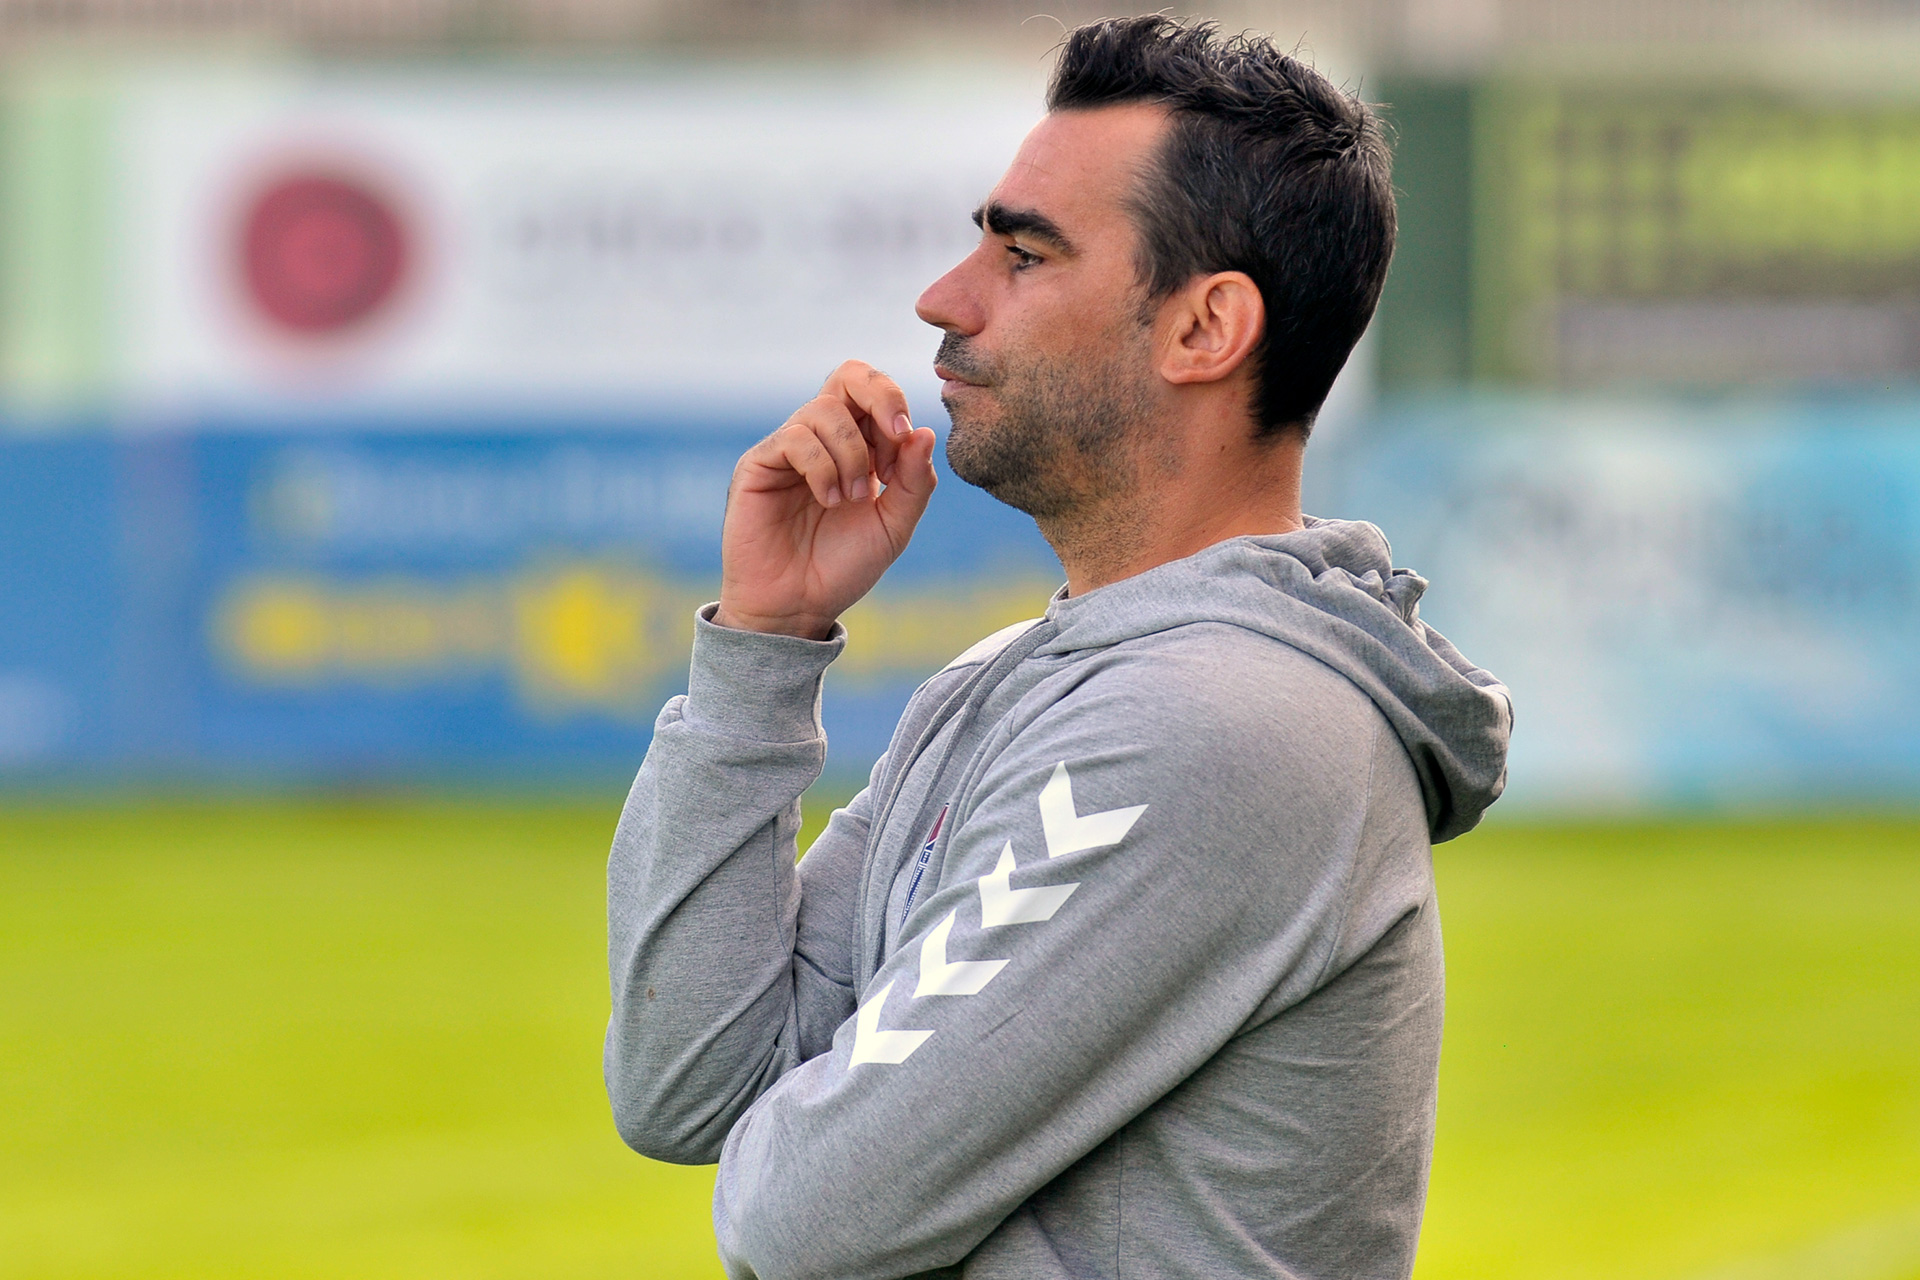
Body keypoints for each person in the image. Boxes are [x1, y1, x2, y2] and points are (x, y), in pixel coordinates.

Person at [605, 16, 1512, 1280]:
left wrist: (833, 1123)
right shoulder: (1016, 676)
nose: (944, 297)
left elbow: (800, 1216)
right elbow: (688, 1083)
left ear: (1204, 329)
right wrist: (766, 637)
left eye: (1023, 253)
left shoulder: (1213, 722)